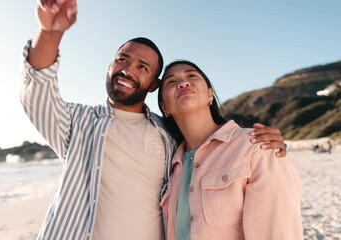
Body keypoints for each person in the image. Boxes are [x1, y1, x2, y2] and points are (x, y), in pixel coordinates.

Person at [20, 0, 287, 239]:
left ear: (152, 86)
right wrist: (50, 32)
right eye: (122, 60)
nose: (128, 69)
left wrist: (265, 144)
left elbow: (214, 146)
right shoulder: (77, 122)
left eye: (142, 67)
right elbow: (38, 91)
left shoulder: (170, 136)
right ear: (110, 66)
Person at [158, 60, 303, 239]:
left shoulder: (256, 145)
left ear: (210, 94)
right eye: (171, 81)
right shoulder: (171, 166)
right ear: (164, 107)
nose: (182, 82)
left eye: (192, 76)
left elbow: (278, 233)